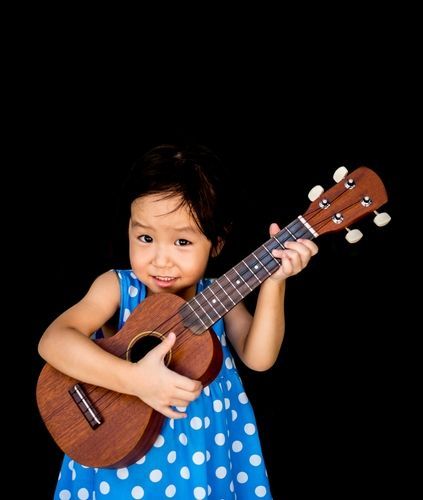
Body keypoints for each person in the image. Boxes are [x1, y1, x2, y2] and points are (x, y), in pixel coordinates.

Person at [38, 143, 318, 499]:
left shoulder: (220, 297)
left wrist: (275, 283)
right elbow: (52, 340)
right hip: (118, 459)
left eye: (182, 241)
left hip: (204, 460)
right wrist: (135, 380)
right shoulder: (118, 288)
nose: (160, 260)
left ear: (216, 243)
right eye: (145, 238)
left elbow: (259, 358)